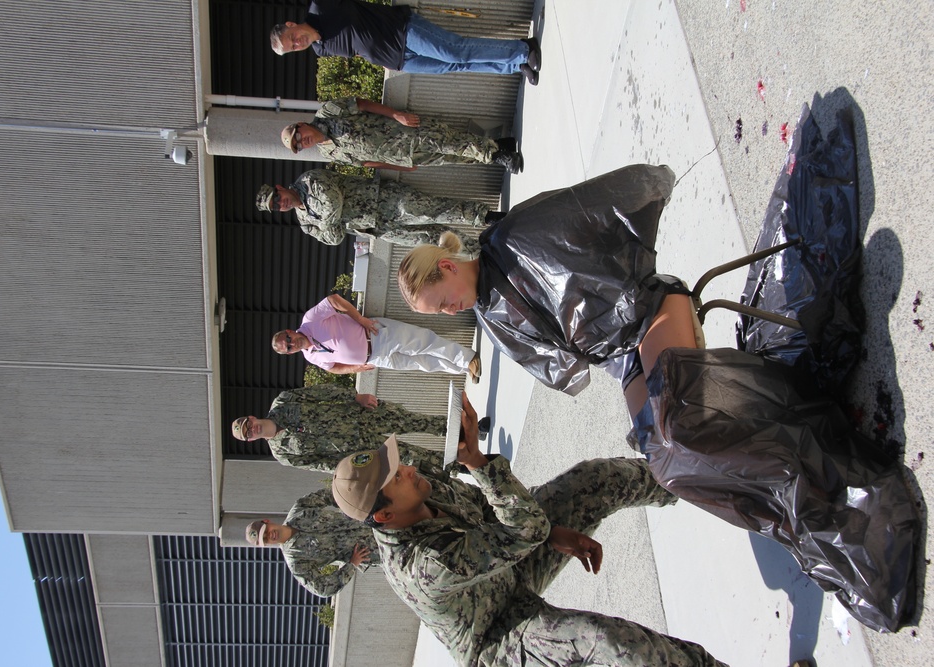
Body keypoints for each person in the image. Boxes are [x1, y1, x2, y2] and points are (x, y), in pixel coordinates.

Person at [395, 156, 920, 631]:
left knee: (682, 426)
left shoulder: (511, 237)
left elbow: (603, 202)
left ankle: (818, 475)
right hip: (626, 353)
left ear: (445, 268)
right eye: (438, 315)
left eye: (440, 305)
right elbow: (568, 361)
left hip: (649, 311)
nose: (449, 314)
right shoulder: (490, 315)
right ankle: (792, 510)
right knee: (666, 466)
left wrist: (637, 232)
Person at [329, 397, 727, 667]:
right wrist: (479, 464)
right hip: (499, 635)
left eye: (399, 464)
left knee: (594, 479)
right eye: (398, 477)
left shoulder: (423, 488)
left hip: (508, 562)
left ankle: (708, 477)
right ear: (384, 517)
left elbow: (489, 508)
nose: (410, 470)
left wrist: (553, 532)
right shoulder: (424, 567)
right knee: (606, 643)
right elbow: (524, 529)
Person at [271, 0, 542, 84]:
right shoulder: (320, 49)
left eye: (291, 38)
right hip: (398, 59)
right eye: (292, 47)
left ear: (292, 25)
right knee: (454, 67)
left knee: (455, 51)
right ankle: (514, 67)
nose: (297, 43)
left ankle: (523, 49)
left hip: (402, 31)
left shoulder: (320, 7)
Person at [255, 169, 504, 253]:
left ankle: (486, 217)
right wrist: (331, 226)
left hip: (385, 200)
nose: (281, 204)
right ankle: (478, 250)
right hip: (378, 228)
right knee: (430, 240)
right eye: (275, 207)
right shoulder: (304, 222)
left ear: (279, 188)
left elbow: (333, 202)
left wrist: (329, 223)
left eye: (277, 198)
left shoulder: (309, 181)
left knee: (436, 210)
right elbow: (335, 239)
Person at [231, 384, 448, 472]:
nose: (252, 429)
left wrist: (355, 397)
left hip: (361, 415)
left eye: (248, 425)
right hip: (360, 447)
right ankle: (456, 466)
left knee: (414, 420)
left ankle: (461, 429)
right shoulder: (282, 454)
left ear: (251, 417)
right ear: (250, 440)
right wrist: (354, 465)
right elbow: (322, 465)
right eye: (247, 434)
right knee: (409, 457)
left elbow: (321, 393)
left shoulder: (283, 402)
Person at [280, 97, 523, 173]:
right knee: (453, 157)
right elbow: (364, 163)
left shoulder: (327, 113)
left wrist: (396, 114)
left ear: (302, 124)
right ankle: (501, 145)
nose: (303, 142)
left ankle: (498, 155)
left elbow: (362, 105)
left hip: (405, 133)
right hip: (403, 155)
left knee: (451, 143)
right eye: (299, 146)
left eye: (298, 136)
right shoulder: (327, 151)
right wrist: (399, 166)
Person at [273, 293, 481, 380]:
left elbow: (334, 300)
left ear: (290, 331)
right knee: (422, 363)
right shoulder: (310, 356)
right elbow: (333, 368)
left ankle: (468, 358)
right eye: (288, 348)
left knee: (424, 343)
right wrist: (355, 368)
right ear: (290, 353)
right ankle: (462, 369)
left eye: (288, 339)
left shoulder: (310, 320)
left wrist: (360, 319)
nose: (291, 344)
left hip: (375, 334)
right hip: (376, 359)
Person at [245, 487, 375, 597]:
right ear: (266, 545)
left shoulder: (299, 510)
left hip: (370, 518)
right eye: (265, 538)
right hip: (374, 549)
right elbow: (321, 588)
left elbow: (327, 495)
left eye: (266, 531)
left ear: (267, 521)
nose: (270, 535)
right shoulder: (296, 560)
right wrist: (351, 565)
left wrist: (354, 502)